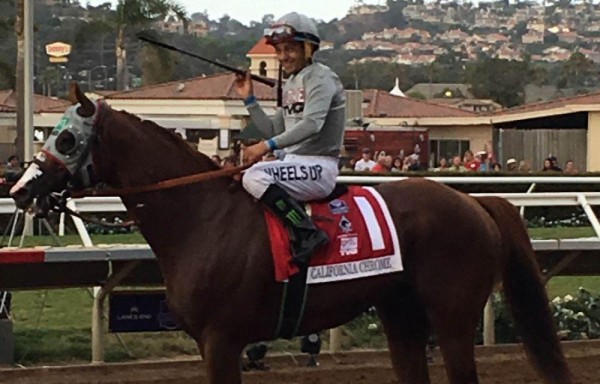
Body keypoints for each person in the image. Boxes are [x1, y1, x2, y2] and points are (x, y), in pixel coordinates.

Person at [235, 12, 346, 267]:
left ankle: (307, 233)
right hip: (295, 163)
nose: (283, 56)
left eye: (290, 49)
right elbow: (273, 128)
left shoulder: (321, 77)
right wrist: (249, 100)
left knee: (254, 176)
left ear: (308, 48)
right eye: (280, 50)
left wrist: (266, 147)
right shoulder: (291, 82)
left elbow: (312, 124)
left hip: (318, 167)